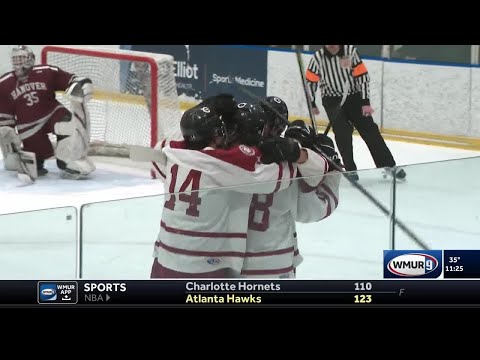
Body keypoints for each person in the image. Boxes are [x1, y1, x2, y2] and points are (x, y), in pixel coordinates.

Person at [150, 102, 306, 278]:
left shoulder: (171, 152)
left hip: (164, 258)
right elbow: (278, 178)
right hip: (201, 267)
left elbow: (159, 152)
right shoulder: (224, 165)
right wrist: (297, 150)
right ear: (216, 136)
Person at [236, 96, 341, 278]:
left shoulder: (220, 158)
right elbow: (312, 211)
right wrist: (328, 164)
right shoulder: (288, 166)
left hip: (224, 261)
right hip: (274, 261)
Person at [306, 45, 406, 181]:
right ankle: (350, 169)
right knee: (342, 133)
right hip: (332, 99)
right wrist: (311, 102)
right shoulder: (318, 58)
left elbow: (362, 76)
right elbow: (310, 81)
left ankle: (388, 165)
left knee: (370, 130)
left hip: (354, 96)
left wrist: (365, 101)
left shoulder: (350, 51)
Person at [0, 45, 95, 180]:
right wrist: (7, 132)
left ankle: (68, 160)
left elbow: (71, 80)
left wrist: (82, 85)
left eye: (21, 58)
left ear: (31, 58)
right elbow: (5, 115)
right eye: (16, 59)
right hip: (28, 127)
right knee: (35, 162)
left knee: (68, 124)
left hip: (52, 113)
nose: (19, 62)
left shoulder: (46, 71)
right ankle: (37, 160)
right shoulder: (4, 83)